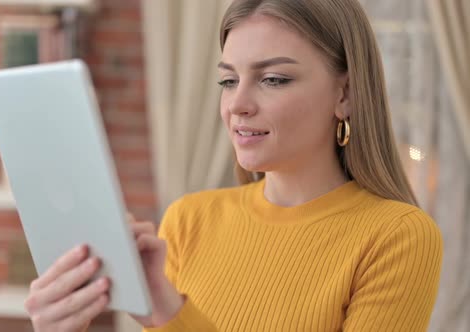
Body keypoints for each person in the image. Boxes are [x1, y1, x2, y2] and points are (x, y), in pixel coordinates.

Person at [23, 0, 444, 331]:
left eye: (273, 79)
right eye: (228, 80)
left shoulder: (397, 237)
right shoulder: (189, 220)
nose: (237, 105)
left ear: (346, 94)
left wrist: (172, 317)